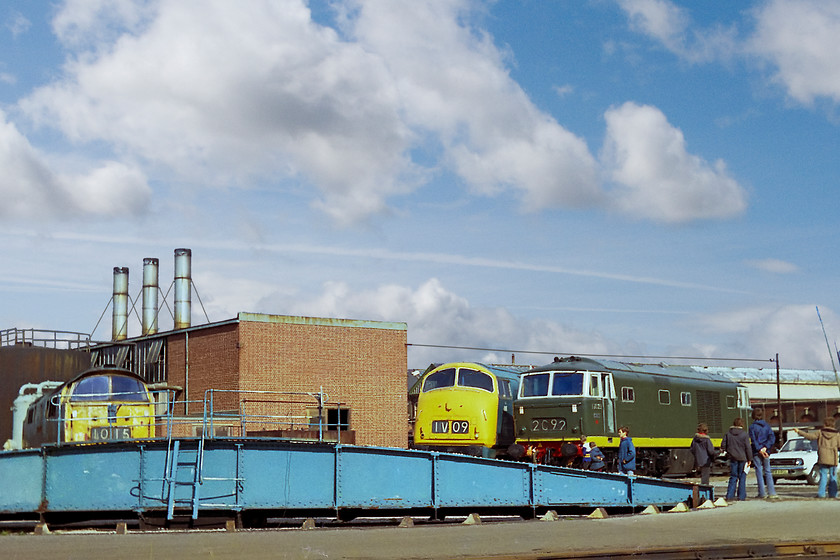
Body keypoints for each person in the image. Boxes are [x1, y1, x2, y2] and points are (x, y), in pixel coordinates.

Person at [794, 417, 840, 498]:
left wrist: (799, 431)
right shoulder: (837, 434)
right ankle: (833, 494)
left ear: (825, 424)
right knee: (833, 477)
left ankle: (821, 494)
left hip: (823, 457)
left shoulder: (820, 432)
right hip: (833, 458)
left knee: (823, 476)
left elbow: (810, 436)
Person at [749, 408, 778, 499]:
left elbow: (753, 440)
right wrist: (765, 448)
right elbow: (772, 438)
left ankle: (762, 493)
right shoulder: (767, 426)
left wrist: (759, 449)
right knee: (768, 471)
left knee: (758, 471)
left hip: (757, 452)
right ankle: (772, 492)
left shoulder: (752, 427)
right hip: (766, 451)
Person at [721, 417, 753, 501]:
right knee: (742, 477)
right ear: (742, 424)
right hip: (743, 458)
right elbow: (748, 448)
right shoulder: (744, 434)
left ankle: (730, 495)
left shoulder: (728, 433)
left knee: (733, 477)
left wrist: (729, 451)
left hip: (732, 458)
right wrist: (750, 459)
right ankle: (741, 496)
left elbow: (723, 445)